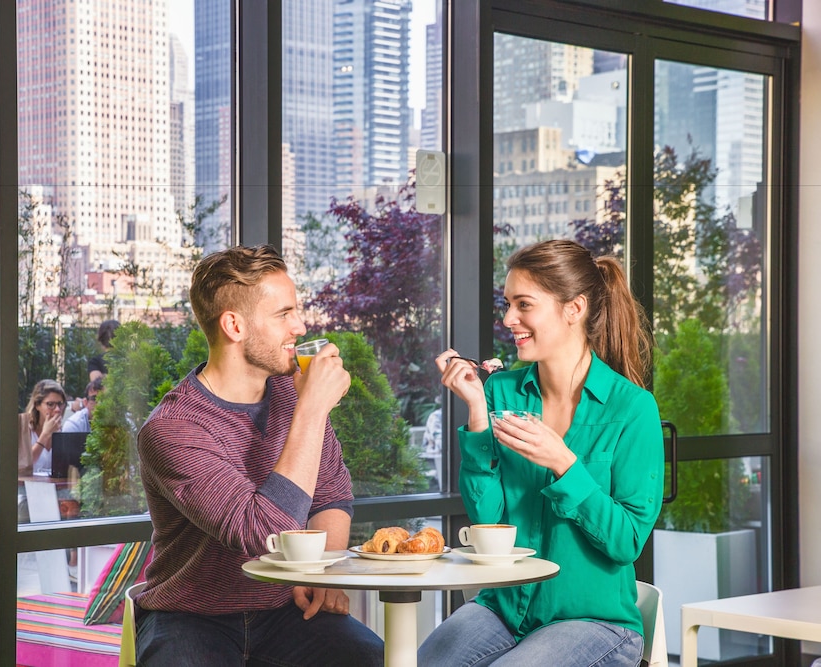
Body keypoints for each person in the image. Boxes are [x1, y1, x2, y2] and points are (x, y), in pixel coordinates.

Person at [133, 244, 383, 666]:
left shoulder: (292, 395)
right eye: (284, 314)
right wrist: (313, 410)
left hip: (286, 610)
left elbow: (332, 497)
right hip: (190, 617)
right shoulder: (173, 429)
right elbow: (264, 533)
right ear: (234, 325)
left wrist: (318, 573)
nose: (300, 327)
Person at [419, 239, 664, 667]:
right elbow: (488, 523)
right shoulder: (499, 392)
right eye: (508, 303)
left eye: (524, 305)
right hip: (503, 610)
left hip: (597, 623)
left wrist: (563, 462)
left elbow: (626, 541)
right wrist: (478, 413)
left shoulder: (633, 408)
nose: (509, 318)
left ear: (574, 309)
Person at [17, 379, 67, 476]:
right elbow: (23, 465)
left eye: (60, 404)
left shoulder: (61, 431)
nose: (57, 410)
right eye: (50, 404)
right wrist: (45, 435)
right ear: (37, 405)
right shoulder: (25, 430)